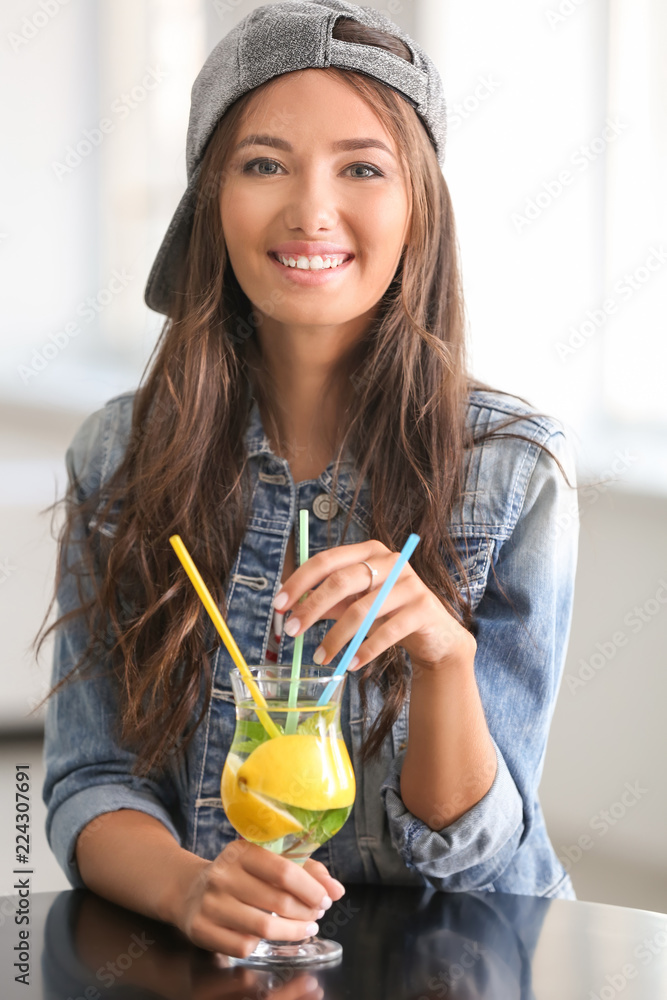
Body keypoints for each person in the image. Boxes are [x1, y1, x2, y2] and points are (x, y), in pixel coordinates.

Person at [36, 0, 580, 964]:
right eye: (263, 164)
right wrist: (190, 887)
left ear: (417, 203)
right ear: (210, 200)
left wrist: (442, 658)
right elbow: (94, 782)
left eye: (362, 167)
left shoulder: (511, 471)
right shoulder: (120, 457)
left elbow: (478, 857)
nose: (309, 209)